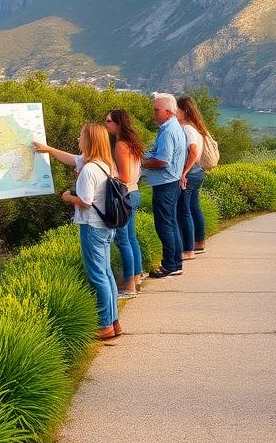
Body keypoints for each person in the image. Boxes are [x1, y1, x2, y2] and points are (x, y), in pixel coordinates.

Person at [34, 124, 122, 339]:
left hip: (92, 227)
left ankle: (104, 326)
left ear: (90, 141)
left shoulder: (90, 169)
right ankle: (114, 321)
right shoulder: (105, 164)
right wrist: (48, 149)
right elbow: (72, 158)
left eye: (81, 136)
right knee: (107, 274)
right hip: (106, 227)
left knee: (97, 276)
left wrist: (67, 197)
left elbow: (85, 202)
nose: (78, 139)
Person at [142, 93, 186, 279]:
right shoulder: (173, 127)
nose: (153, 113)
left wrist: (141, 162)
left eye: (156, 110)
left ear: (167, 112)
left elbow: (162, 161)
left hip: (165, 183)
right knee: (172, 223)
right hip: (171, 182)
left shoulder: (168, 131)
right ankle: (175, 263)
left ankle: (169, 264)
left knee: (164, 225)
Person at [105, 109, 144, 297]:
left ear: (118, 123)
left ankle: (129, 285)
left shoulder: (121, 145)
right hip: (134, 191)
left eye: (109, 121)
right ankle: (136, 277)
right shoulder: (132, 143)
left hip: (124, 195)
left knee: (123, 241)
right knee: (131, 238)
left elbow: (125, 176)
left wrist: (108, 175)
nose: (106, 124)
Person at [176, 96, 209, 258]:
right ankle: (199, 242)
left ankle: (188, 249)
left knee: (184, 210)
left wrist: (183, 172)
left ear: (184, 111)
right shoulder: (196, 128)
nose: (175, 112)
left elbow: (194, 151)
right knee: (194, 208)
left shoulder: (187, 129)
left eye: (177, 109)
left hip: (190, 173)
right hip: (198, 172)